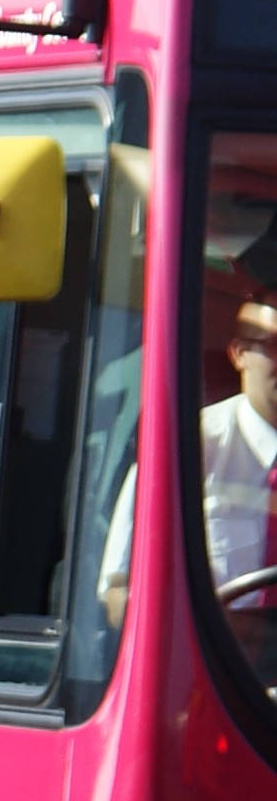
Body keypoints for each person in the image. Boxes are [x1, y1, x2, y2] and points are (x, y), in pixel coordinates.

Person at [99, 286, 277, 668]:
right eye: (273, 345)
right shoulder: (185, 449)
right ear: (239, 354)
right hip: (214, 676)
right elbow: (117, 592)